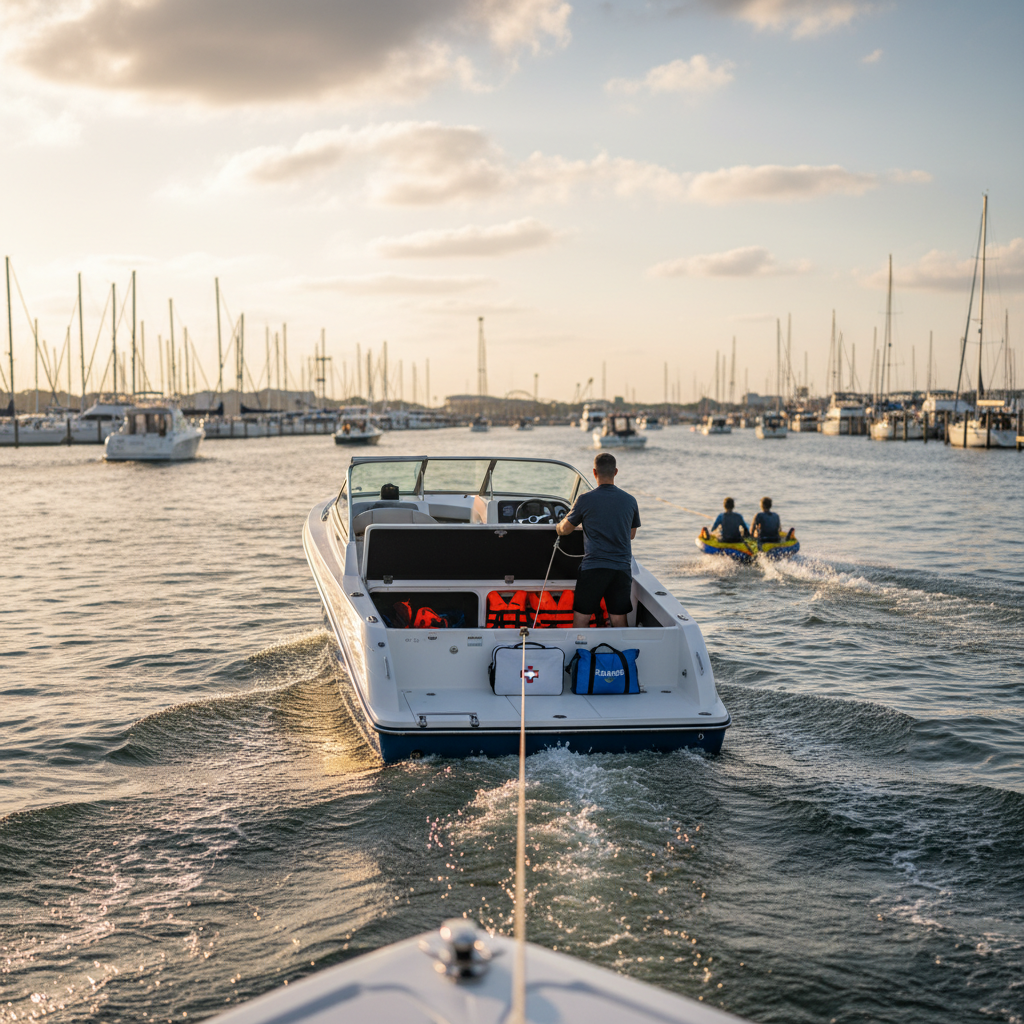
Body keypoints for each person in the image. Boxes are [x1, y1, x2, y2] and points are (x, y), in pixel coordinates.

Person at [556, 452, 640, 628]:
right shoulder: (630, 501)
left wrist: (558, 526)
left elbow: (565, 529)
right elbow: (631, 535)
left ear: (594, 472)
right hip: (621, 569)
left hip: (594, 568)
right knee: (618, 618)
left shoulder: (585, 499)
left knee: (582, 617)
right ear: (616, 472)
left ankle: (580, 652)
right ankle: (622, 653)